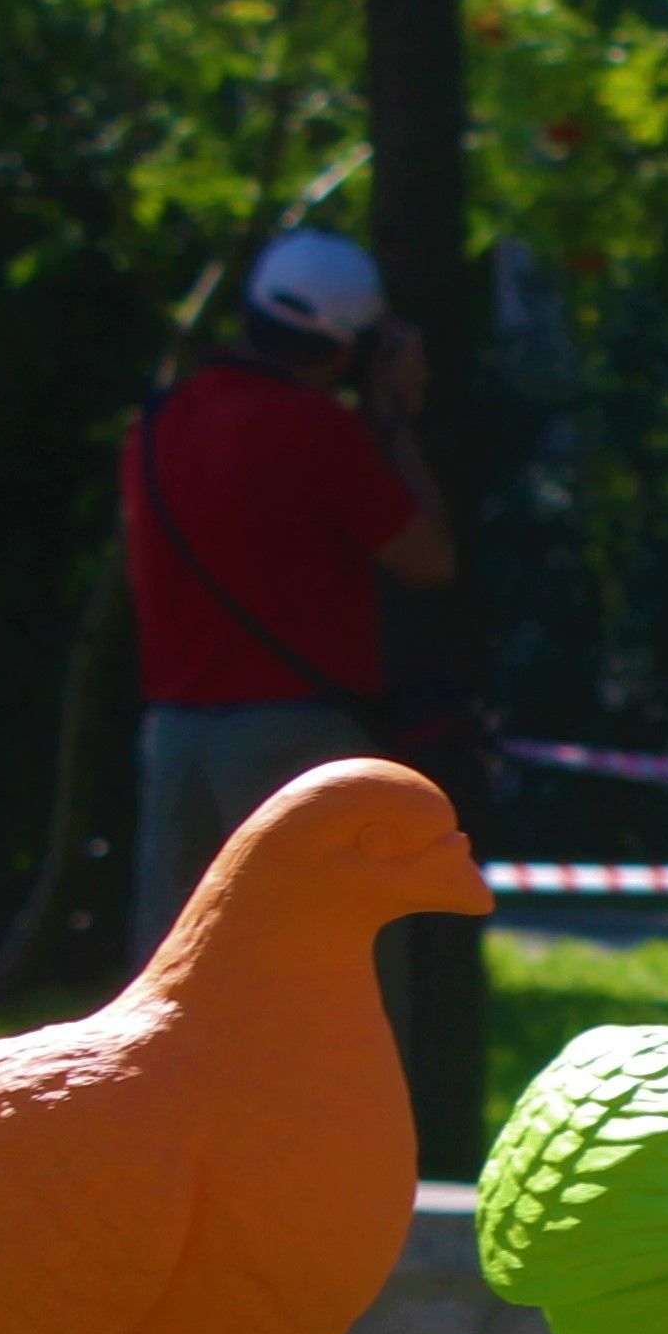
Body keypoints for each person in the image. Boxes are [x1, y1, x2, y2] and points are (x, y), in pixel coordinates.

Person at [127, 229, 458, 964]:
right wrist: (396, 418)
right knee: (323, 975)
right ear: (347, 348)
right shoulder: (320, 430)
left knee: (177, 982)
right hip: (294, 741)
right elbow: (429, 559)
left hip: (174, 737)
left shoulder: (153, 428)